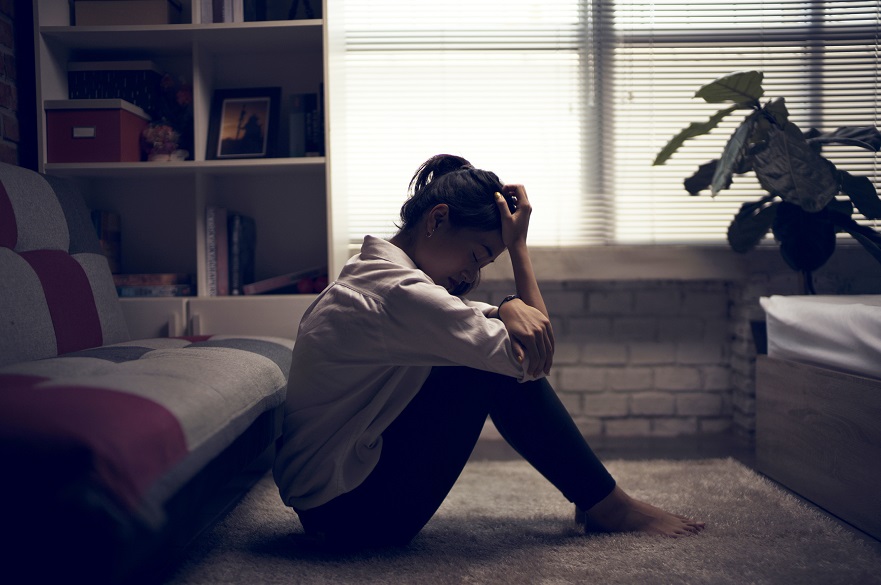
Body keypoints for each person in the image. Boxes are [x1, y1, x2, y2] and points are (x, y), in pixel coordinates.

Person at [273, 154, 705, 550]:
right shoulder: (397, 291)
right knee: (489, 370)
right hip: (353, 519)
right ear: (437, 219)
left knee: (478, 356)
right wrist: (517, 250)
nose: (470, 272)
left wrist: (503, 307)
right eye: (476, 255)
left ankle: (597, 500)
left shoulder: (374, 274)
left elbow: (467, 319)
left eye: (482, 265)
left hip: (328, 507)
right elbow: (533, 358)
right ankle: (610, 508)